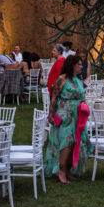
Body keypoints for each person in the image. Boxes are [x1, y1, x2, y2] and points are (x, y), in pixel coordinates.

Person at [43, 55, 93, 184]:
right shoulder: (62, 79)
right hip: (65, 114)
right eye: (79, 65)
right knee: (67, 141)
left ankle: (68, 169)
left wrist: (82, 102)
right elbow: (54, 97)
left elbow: (81, 94)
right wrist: (50, 114)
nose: (81, 67)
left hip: (77, 115)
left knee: (76, 141)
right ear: (72, 65)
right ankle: (61, 170)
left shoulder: (78, 79)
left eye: (82, 65)